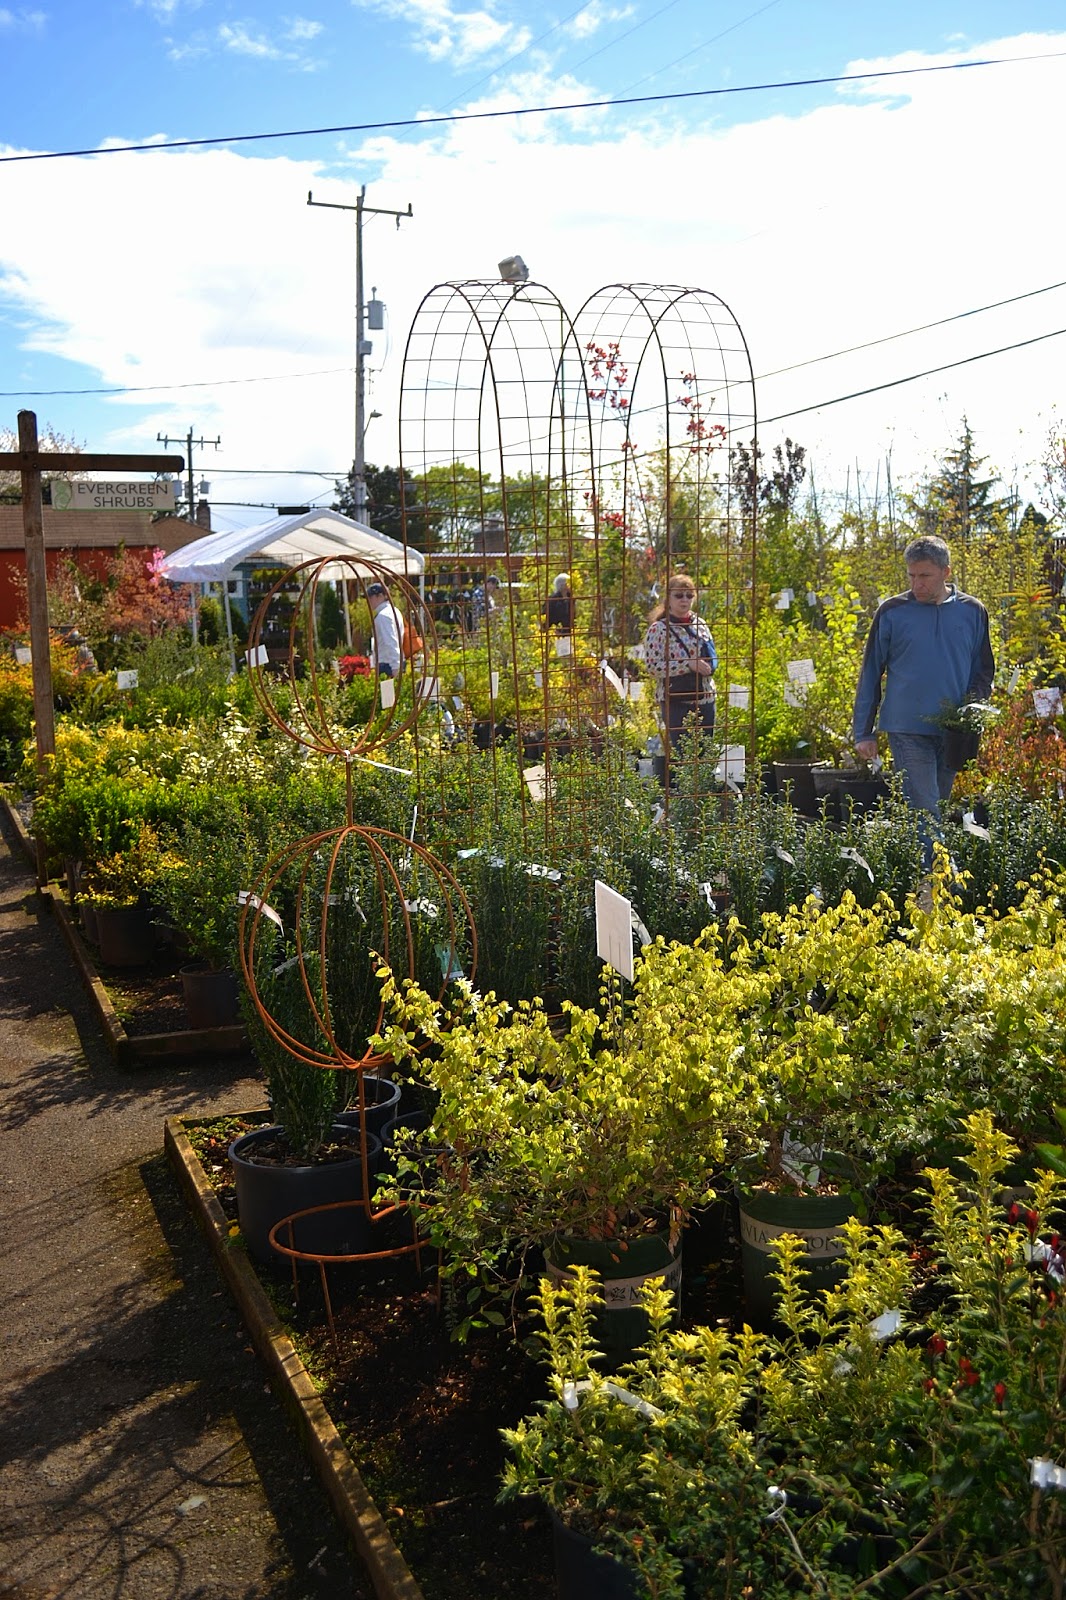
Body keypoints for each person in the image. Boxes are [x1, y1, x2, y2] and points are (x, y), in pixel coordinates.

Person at [852, 534, 994, 867]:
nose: (917, 583)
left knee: (936, 809)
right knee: (926, 809)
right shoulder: (892, 612)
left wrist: (972, 712)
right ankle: (947, 881)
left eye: (925, 576)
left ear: (946, 571)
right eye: (912, 575)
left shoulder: (973, 612)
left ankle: (922, 881)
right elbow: (871, 671)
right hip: (906, 728)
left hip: (953, 731)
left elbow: (983, 670)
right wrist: (864, 730)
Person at [643, 574, 718, 754]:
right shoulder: (658, 629)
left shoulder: (700, 625)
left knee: (705, 753)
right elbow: (653, 667)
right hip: (676, 701)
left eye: (689, 595)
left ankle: (704, 783)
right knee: (683, 755)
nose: (684, 600)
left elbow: (712, 654)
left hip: (704, 697)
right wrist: (687, 665)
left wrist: (710, 665)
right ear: (668, 598)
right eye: (679, 595)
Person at [366, 581, 405, 678]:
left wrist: (395, 667)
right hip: (394, 662)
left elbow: (390, 641)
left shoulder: (383, 616)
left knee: (387, 693)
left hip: (388, 665)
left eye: (371, 597)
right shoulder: (395, 611)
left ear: (380, 596)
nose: (369, 601)